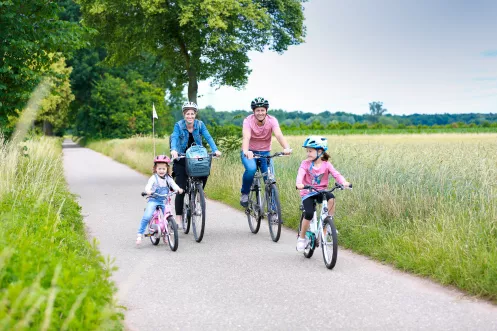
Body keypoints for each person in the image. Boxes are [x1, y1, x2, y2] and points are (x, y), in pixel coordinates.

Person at [170, 101, 221, 227]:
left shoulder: (200, 124)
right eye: (187, 114)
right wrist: (174, 150)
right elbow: (175, 138)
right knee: (180, 189)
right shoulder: (179, 125)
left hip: (196, 157)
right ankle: (178, 218)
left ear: (195, 114)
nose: (190, 116)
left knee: (205, 169)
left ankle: (198, 193)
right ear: (184, 114)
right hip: (181, 158)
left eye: (192, 114)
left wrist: (215, 150)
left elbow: (208, 137)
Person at [295, 136, 350, 252]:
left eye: (310, 151)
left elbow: (336, 174)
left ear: (320, 152)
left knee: (332, 198)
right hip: (308, 192)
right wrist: (299, 183)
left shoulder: (327, 165)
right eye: (307, 151)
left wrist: (344, 182)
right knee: (309, 213)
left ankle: (328, 222)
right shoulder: (305, 164)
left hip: (321, 191)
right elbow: (300, 174)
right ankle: (302, 237)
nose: (307, 153)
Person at [240, 97, 292, 207]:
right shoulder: (248, 121)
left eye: (262, 110)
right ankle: (245, 193)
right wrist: (246, 151)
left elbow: (278, 134)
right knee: (251, 169)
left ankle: (273, 212)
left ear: (266, 110)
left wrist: (286, 147)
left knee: (270, 179)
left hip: (265, 153)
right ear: (253, 111)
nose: (260, 113)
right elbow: (246, 136)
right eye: (257, 110)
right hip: (249, 152)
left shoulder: (272, 120)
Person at [136, 155, 183, 245]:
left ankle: (166, 234)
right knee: (147, 216)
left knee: (168, 216)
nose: (161, 171)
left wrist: (178, 189)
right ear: (155, 169)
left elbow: (173, 185)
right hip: (153, 200)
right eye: (159, 169)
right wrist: (148, 191)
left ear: (167, 169)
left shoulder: (168, 178)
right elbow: (148, 186)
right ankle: (139, 234)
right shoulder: (154, 178)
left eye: (163, 169)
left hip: (164, 200)